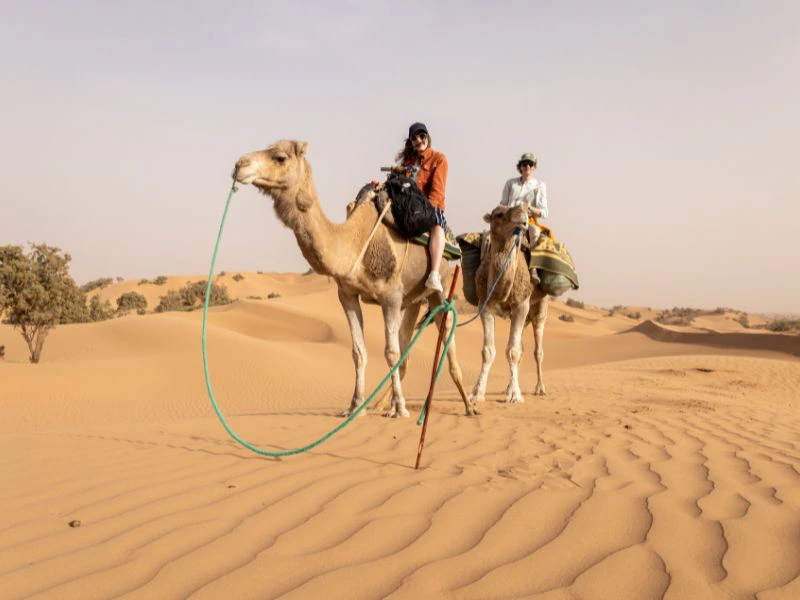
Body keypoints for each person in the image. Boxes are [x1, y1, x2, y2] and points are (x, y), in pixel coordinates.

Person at [396, 122, 448, 292]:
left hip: (429, 205)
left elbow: (437, 191)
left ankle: (434, 274)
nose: (419, 140)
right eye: (414, 138)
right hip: (408, 205)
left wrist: (425, 210)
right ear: (411, 142)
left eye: (422, 136)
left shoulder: (439, 159)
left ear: (427, 137)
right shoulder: (408, 163)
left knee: (437, 226)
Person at [500, 152, 548, 220]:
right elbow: (503, 205)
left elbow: (544, 213)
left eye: (530, 164)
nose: (527, 166)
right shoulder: (510, 183)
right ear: (520, 166)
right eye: (525, 164)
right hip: (509, 220)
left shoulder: (539, 186)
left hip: (528, 221)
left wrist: (528, 207)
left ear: (534, 167)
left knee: (535, 230)